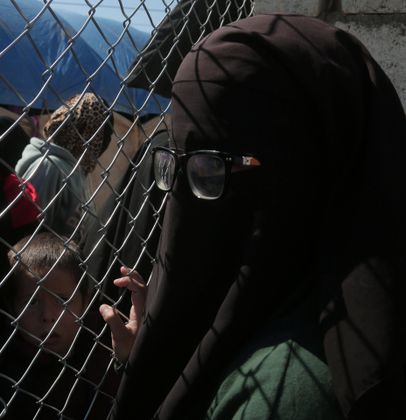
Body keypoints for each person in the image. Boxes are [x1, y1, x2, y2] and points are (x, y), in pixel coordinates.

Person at [100, 14, 406, 420]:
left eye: (209, 168)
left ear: (300, 169)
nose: (181, 195)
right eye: (171, 163)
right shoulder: (324, 307)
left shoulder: (285, 393)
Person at [0, 231, 118, 419]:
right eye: (32, 302)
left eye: (63, 300)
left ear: (85, 303)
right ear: (12, 307)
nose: (48, 316)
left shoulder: (100, 348)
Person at [15, 92, 112, 239]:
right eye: (106, 133)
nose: (106, 141)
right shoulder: (50, 166)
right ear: (88, 131)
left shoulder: (77, 171)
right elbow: (28, 233)